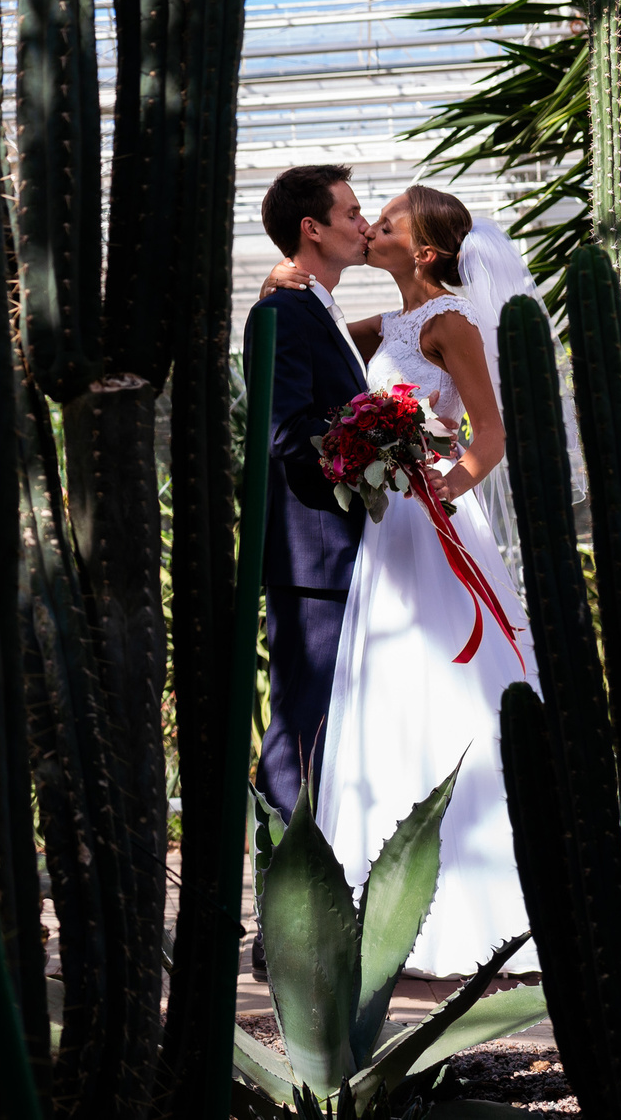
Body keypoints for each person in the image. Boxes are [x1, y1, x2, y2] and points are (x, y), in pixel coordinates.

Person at [259, 185, 544, 976]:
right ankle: (377, 903)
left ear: (420, 251)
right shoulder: (384, 326)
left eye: (385, 222)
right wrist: (279, 280)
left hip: (428, 516)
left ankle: (483, 901)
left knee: (452, 685)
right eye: (364, 217)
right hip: (382, 523)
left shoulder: (452, 321)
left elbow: (490, 434)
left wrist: (443, 486)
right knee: (383, 694)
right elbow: (316, 342)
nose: (371, 227)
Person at [248, 164, 373, 824]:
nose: (364, 224)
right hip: (314, 560)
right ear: (312, 228)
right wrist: (379, 442)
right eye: (351, 212)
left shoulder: (319, 310)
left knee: (333, 721)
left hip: (342, 553)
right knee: (303, 725)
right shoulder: (282, 312)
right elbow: (285, 432)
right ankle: (281, 876)